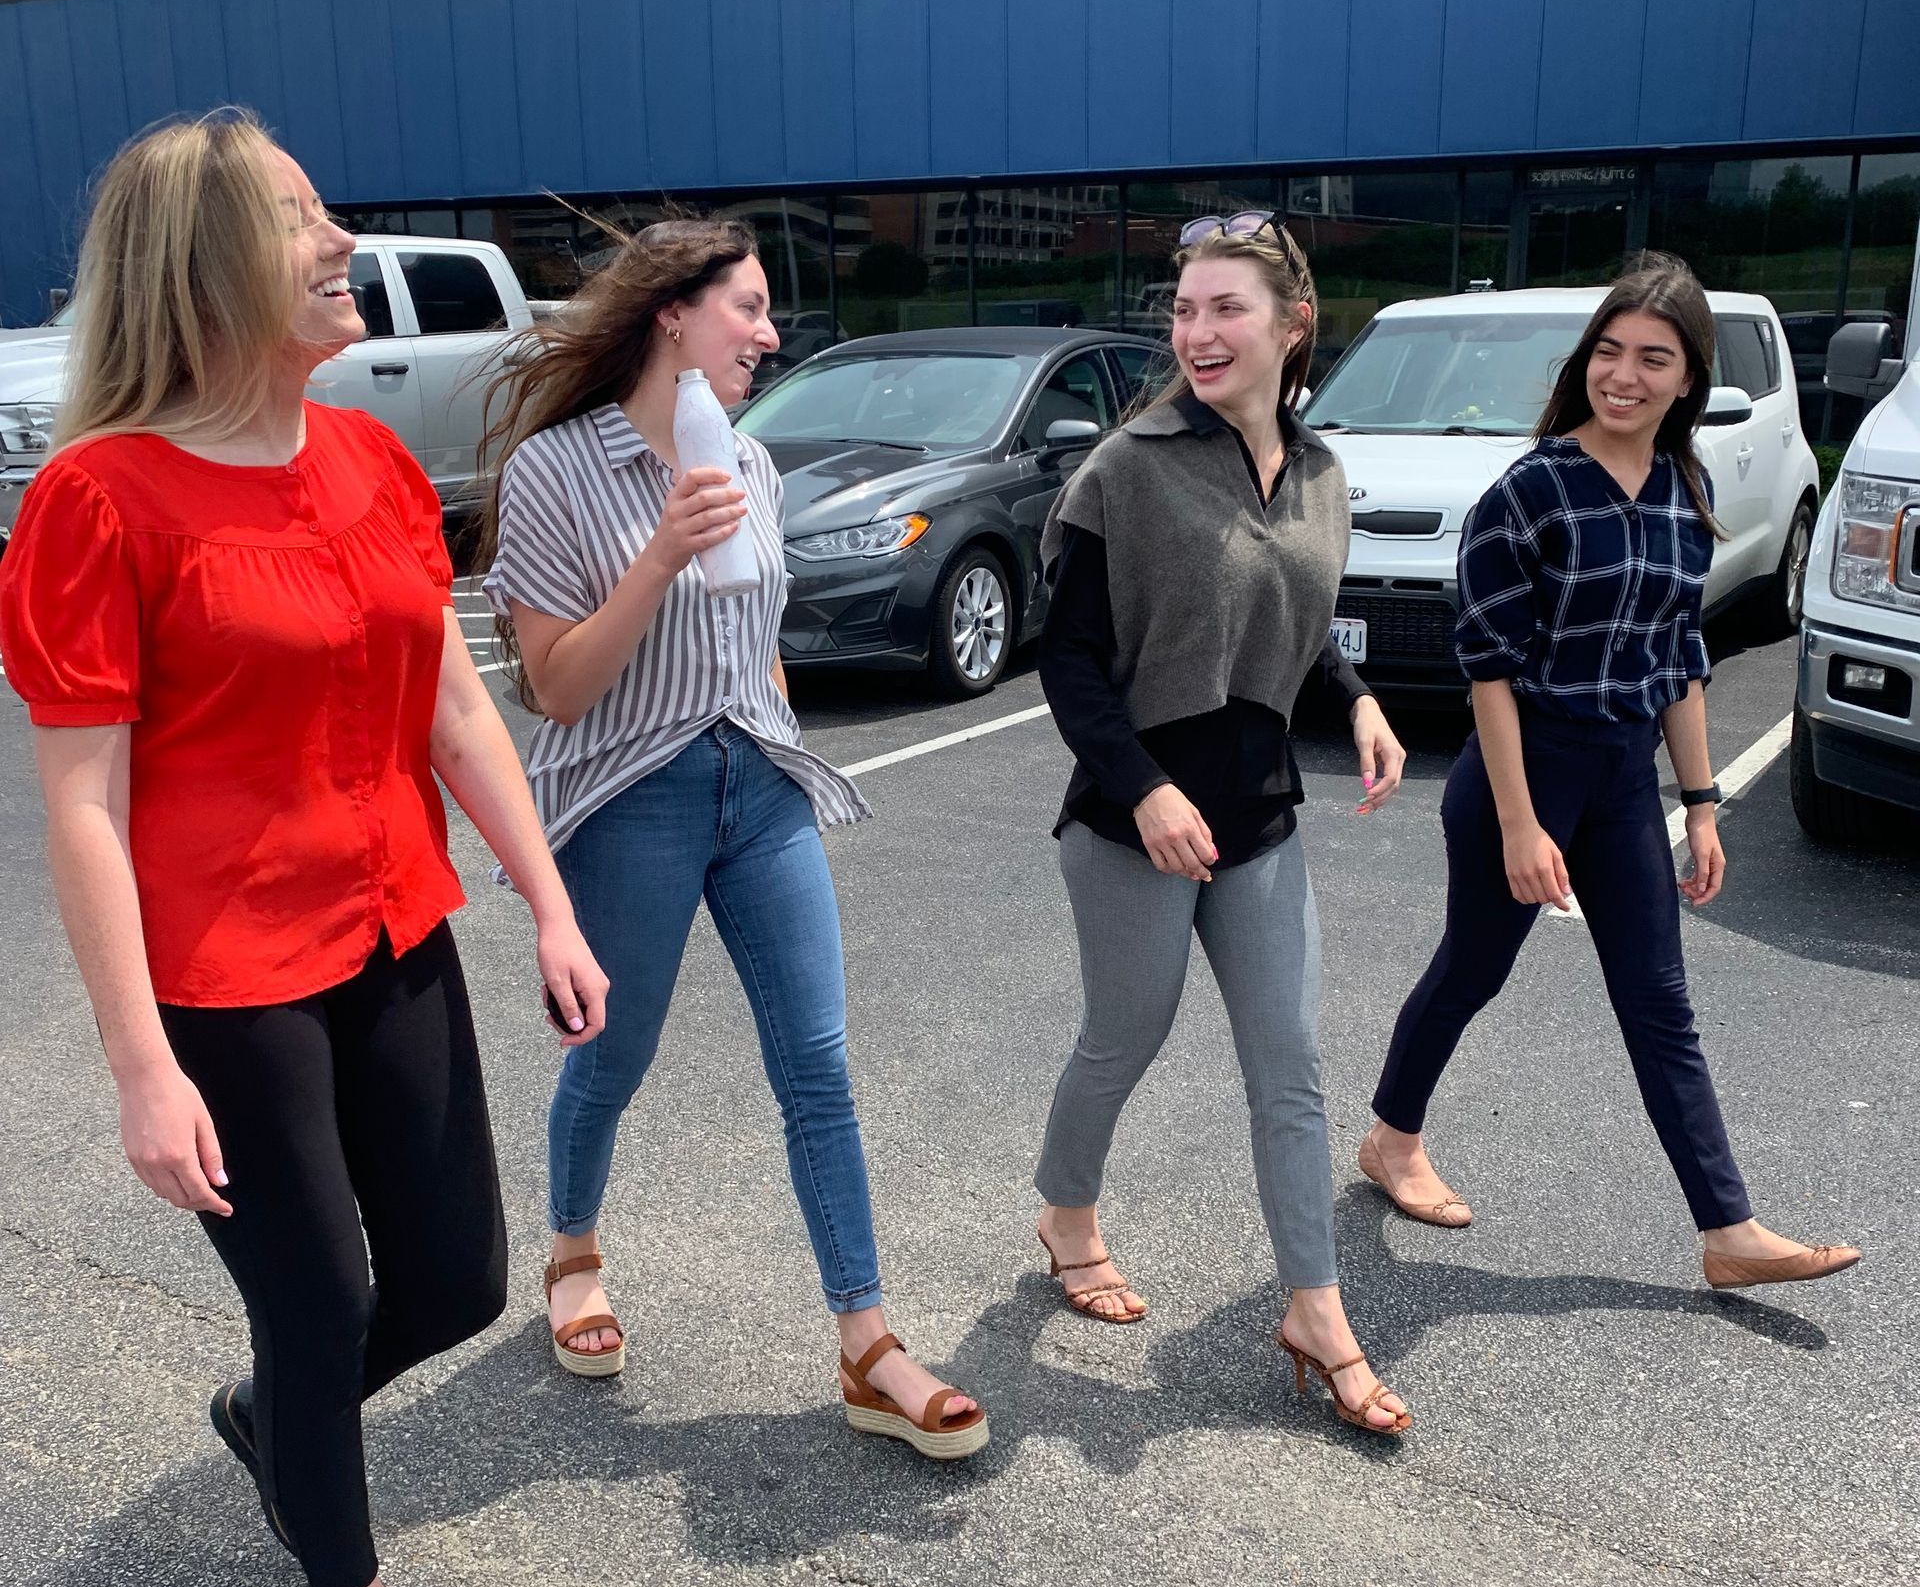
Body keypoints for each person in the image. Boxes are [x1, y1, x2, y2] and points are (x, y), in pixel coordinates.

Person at [0, 111, 609, 1587]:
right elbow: (84, 810)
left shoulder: (373, 468)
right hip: (223, 979)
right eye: (299, 219)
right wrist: (136, 1066)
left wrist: (545, 898)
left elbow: (458, 705)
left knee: (457, 1284)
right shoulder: (98, 503)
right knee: (321, 1297)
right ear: (203, 270)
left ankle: (283, 1413)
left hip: (387, 924)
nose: (341, 238)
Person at [479, 217, 987, 1460]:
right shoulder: (558, 470)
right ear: (672, 315)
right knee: (617, 1055)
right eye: (749, 309)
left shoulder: (752, 465)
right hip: (629, 797)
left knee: (817, 1059)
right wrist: (658, 555)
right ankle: (573, 1248)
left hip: (756, 784)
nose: (768, 335)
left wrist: (764, 703)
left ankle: (868, 1342)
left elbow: (757, 621)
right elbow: (554, 689)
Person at [1363, 257, 1860, 1294]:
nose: (1623, 375)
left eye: (1653, 359)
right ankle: (1391, 1139)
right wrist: (1516, 822)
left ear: (1688, 381)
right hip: (1527, 766)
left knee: (1658, 1000)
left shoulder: (1689, 486)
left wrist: (1705, 801)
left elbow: (1680, 656)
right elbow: (1488, 672)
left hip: (1624, 780)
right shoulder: (1531, 491)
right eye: (1609, 352)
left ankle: (1729, 1230)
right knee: (1474, 969)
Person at [1033, 214, 1415, 1435]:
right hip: (1131, 816)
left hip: (1259, 818)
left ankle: (1317, 1306)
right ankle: (1067, 1211)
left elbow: (1294, 631)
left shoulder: (1319, 474)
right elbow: (1072, 663)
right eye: (1185, 310)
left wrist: (1356, 705)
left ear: (1291, 325)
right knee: (1124, 1037)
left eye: (1225, 309)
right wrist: (1143, 787)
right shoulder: (1126, 467)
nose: (1197, 332)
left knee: (1290, 1068)